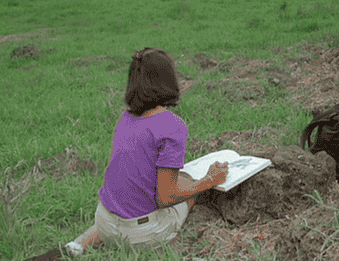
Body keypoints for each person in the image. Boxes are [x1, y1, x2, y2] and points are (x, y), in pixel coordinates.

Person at [38, 47, 229, 259]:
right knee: (190, 191)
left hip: (104, 222)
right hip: (142, 236)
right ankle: (160, 237)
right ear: (168, 80)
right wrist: (209, 181)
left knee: (132, 199)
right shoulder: (173, 125)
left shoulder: (125, 118)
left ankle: (75, 246)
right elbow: (166, 197)